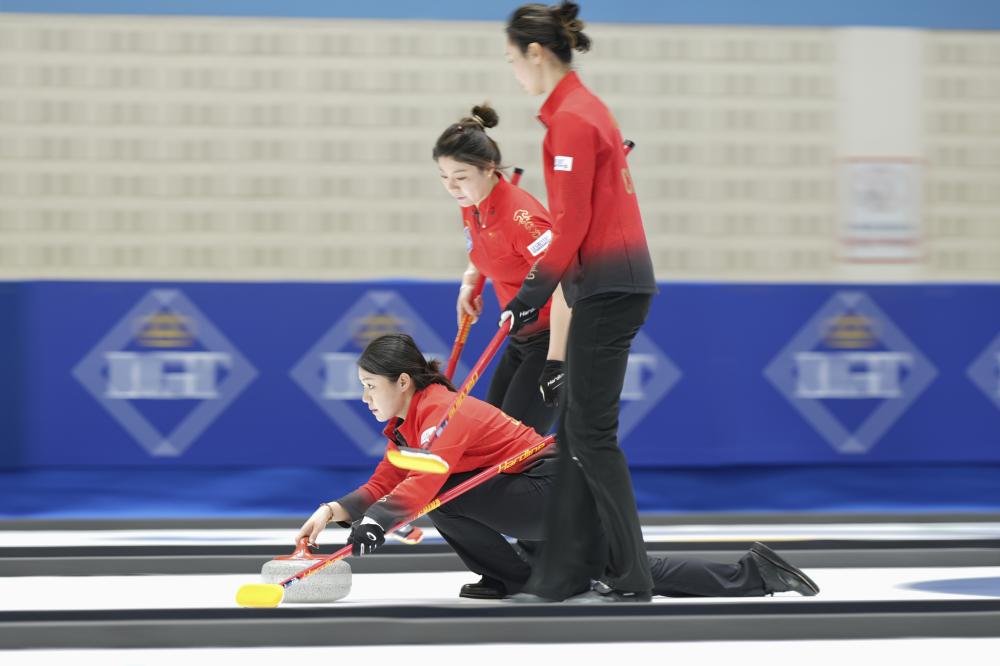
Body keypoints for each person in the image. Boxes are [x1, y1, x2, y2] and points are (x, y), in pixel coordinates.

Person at [295, 334, 820, 601]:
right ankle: (757, 571)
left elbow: (427, 480)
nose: (363, 397)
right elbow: (390, 478)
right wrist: (335, 510)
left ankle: (518, 576)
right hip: (537, 498)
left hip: (555, 494)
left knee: (444, 492)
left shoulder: (442, 412)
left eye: (370, 386)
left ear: (401, 383)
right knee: (624, 574)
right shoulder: (411, 423)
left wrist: (377, 522)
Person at [499, 1, 660, 603]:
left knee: (589, 435)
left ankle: (630, 572)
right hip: (609, 283)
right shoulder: (581, 112)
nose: (513, 71)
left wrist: (530, 293)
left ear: (536, 54)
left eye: (513, 59)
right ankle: (582, 568)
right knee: (577, 434)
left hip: (609, 286)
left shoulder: (572, 119)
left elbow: (570, 225)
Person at [433, 103, 570, 435]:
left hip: (556, 336)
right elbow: (480, 250)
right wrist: (469, 284)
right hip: (519, 334)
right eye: (444, 177)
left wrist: (557, 362)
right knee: (489, 437)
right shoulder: (472, 204)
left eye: (461, 177)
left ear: (489, 168)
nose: (452, 187)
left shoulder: (522, 218)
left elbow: (568, 283)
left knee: (513, 444)